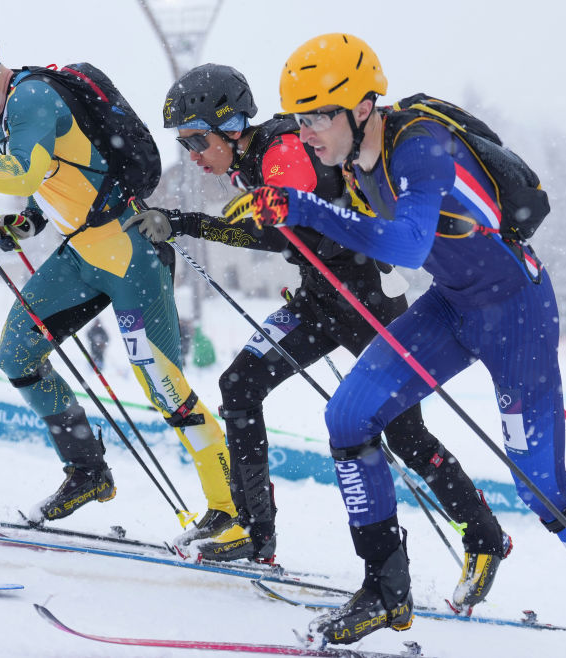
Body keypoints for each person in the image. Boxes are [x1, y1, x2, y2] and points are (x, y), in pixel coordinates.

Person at [228, 33, 566, 656]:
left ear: (364, 107)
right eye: (300, 118)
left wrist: (305, 210)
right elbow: (363, 232)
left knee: (539, 483)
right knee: (348, 416)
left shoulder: (421, 145)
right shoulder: (350, 161)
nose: (307, 132)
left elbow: (406, 243)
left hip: (516, 313)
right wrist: (280, 212)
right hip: (452, 306)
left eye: (319, 115)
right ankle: (384, 589)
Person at [124, 64, 510, 590]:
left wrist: (186, 223)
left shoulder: (281, 151)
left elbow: (278, 234)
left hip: (369, 305)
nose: (192, 154)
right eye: (184, 143)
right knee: (239, 385)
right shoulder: (249, 160)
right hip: (320, 302)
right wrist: (182, 222)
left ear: (231, 127)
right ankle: (254, 532)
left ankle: (485, 538)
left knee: (407, 437)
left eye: (196, 140)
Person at [0, 21, 238, 543]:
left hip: (130, 255)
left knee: (165, 390)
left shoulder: (31, 97)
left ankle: (231, 510)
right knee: (15, 355)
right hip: (80, 256)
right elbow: (55, 180)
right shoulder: (5, 113)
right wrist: (25, 223)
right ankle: (88, 473)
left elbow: (23, 173)